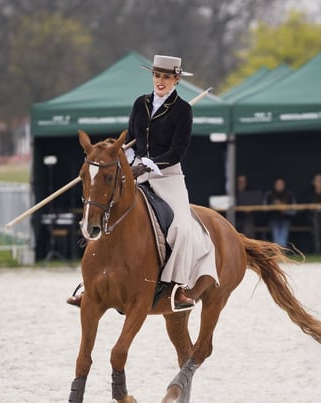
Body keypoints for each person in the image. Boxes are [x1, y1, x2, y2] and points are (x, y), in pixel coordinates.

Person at [67, 54, 218, 310]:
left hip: (168, 176)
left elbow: (178, 151)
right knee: (107, 213)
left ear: (176, 80)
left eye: (167, 77)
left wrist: (151, 163)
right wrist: (125, 160)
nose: (161, 81)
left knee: (181, 229)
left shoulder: (183, 110)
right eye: (157, 76)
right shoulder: (141, 103)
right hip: (135, 171)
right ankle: (91, 285)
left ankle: (177, 287)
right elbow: (130, 140)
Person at [263, 176, 296, 248]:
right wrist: (274, 206)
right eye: (278, 184)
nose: (279, 186)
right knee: (275, 230)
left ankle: (281, 248)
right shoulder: (269, 194)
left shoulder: (289, 194)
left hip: (286, 219)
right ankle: (279, 248)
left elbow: (294, 211)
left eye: (281, 184)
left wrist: (285, 210)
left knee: (284, 229)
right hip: (273, 219)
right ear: (274, 185)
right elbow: (264, 209)